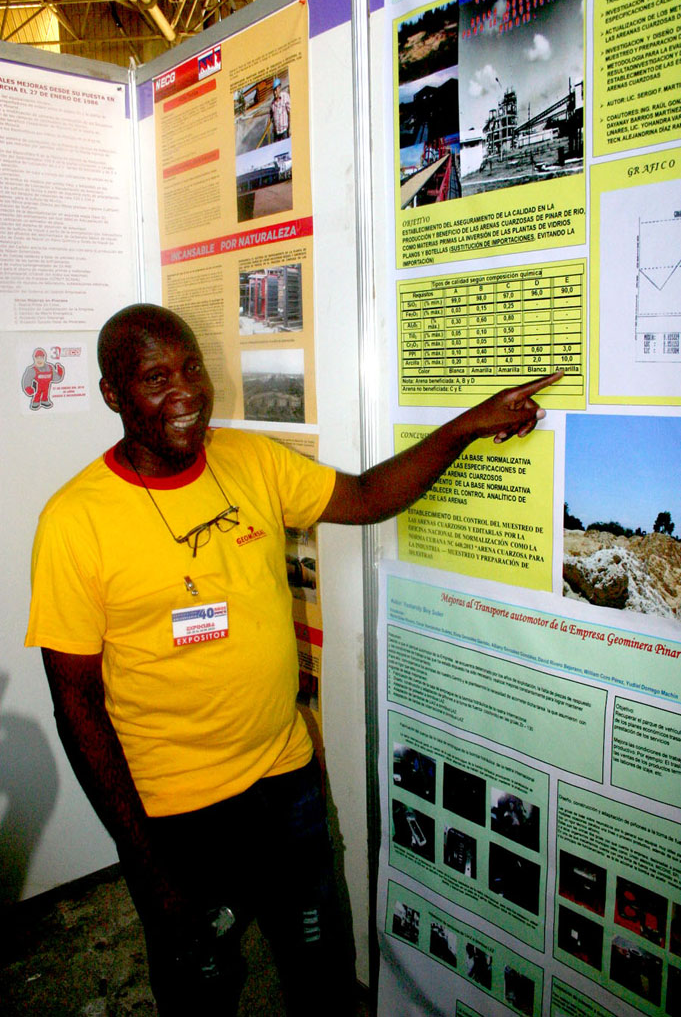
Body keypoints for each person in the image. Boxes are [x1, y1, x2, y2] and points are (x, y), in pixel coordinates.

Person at [25, 304, 561, 1015]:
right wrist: (146, 866)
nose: (185, 391)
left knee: (321, 975)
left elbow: (367, 497)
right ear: (112, 395)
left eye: (192, 367)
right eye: (156, 378)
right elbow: (75, 705)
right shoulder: (74, 521)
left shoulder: (250, 461)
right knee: (201, 992)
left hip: (285, 782)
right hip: (176, 814)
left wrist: (467, 425)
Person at [270, 77, 291, 142]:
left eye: (276, 90)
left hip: (284, 131)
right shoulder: (273, 103)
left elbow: (290, 112)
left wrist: (290, 128)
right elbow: (271, 117)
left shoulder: (285, 97)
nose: (275, 93)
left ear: (279, 88)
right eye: (273, 91)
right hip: (276, 133)